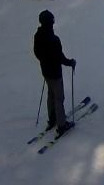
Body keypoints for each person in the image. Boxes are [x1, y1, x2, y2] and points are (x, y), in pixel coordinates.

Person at [34, 9, 77, 137]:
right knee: (59, 98)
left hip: (45, 71)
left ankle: (52, 119)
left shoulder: (38, 35)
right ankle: (61, 124)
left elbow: (37, 52)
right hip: (55, 73)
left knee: (50, 94)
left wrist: (44, 61)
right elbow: (60, 57)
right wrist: (70, 62)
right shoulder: (54, 39)